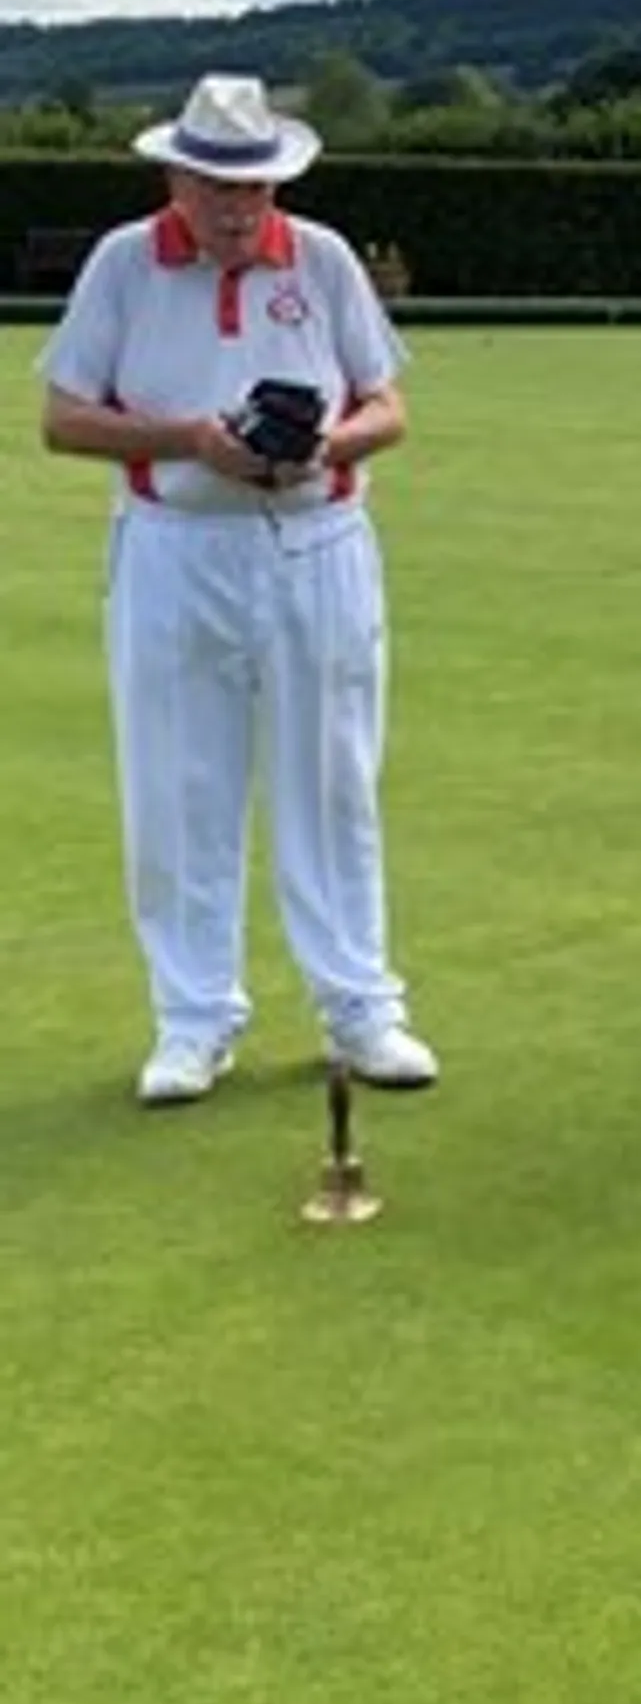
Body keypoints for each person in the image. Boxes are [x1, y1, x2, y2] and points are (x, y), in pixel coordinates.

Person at [37, 72, 438, 1106]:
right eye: (214, 182)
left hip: (318, 540)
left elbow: (386, 404)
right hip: (175, 544)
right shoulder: (125, 264)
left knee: (333, 775)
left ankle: (360, 1006)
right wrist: (189, 439)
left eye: (253, 185)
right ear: (175, 175)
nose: (233, 206)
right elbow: (65, 416)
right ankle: (192, 1018)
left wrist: (326, 447)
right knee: (178, 784)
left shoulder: (325, 258)